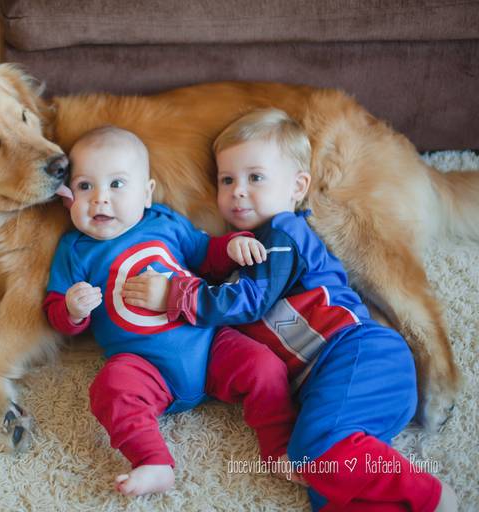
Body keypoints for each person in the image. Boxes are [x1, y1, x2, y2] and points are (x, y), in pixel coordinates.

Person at [122, 109, 458, 511]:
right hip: (334, 390)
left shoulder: (284, 233)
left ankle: (432, 495)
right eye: (227, 180)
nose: (238, 191)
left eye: (255, 177)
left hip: (359, 355)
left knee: (312, 450)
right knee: (326, 488)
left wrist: (177, 295)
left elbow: (250, 301)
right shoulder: (243, 257)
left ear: (297, 186)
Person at [45, 125, 300, 496]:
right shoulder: (74, 249)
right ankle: (152, 461)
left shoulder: (162, 222)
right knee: (109, 388)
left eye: (116, 184)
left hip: (209, 345)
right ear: (69, 198)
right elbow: (54, 310)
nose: (100, 199)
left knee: (265, 366)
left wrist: (232, 246)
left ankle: (279, 448)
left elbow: (204, 254)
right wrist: (71, 309)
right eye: (85, 186)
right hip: (145, 367)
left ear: (146, 193)